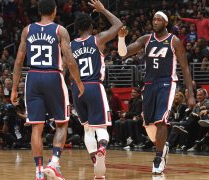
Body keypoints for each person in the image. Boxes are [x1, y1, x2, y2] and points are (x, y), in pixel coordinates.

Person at [10, 0, 84, 180]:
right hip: (53, 76)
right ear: (55, 10)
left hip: (33, 77)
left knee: (37, 127)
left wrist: (13, 89)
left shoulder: (27, 30)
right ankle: (54, 163)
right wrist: (79, 83)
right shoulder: (60, 30)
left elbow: (18, 61)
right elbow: (69, 59)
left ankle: (38, 171)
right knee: (62, 123)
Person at [117, 11, 195, 174]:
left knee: (161, 121)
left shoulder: (174, 41)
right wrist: (121, 38)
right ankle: (163, 146)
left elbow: (185, 68)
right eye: (154, 19)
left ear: (166, 23)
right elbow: (123, 53)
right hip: (149, 84)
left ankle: (159, 157)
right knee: (148, 124)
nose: (155, 22)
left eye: (159, 19)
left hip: (167, 83)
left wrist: (191, 94)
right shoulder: (146, 39)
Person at [70, 1, 122, 179]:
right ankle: (101, 148)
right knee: (100, 127)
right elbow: (118, 25)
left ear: (76, 28)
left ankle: (95, 160)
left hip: (76, 88)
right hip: (93, 86)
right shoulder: (97, 39)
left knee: (87, 129)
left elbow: (63, 70)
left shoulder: (70, 45)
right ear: (91, 26)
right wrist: (103, 10)